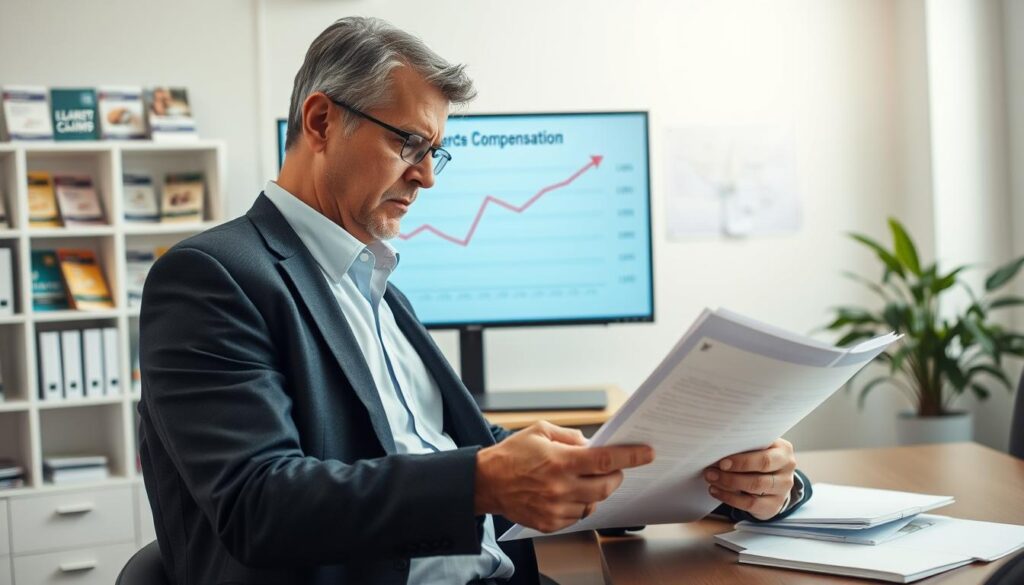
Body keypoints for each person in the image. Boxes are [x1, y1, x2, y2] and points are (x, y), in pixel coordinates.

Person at [137, 16, 810, 585]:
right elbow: (260, 503)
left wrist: (727, 480)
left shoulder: (374, 286)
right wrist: (481, 479)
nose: (427, 176)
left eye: (436, 152)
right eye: (410, 143)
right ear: (320, 121)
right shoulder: (212, 277)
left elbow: (451, 448)